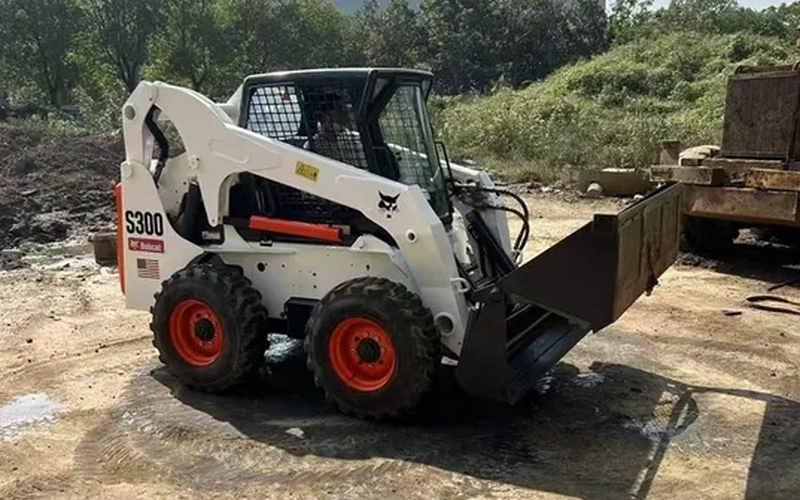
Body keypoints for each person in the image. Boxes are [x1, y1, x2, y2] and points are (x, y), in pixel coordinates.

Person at [303, 96, 367, 169]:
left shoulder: (355, 139)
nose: (344, 114)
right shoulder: (312, 146)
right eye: (339, 110)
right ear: (323, 117)